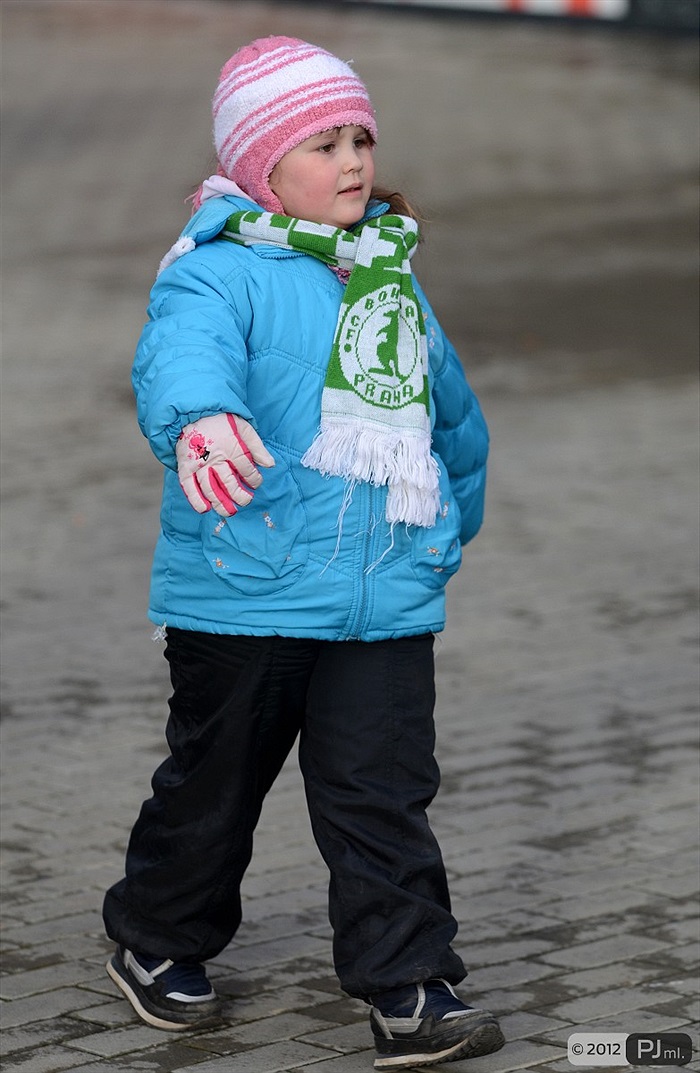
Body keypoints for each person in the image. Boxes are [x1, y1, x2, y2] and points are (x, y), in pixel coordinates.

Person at [102, 35, 504, 1070]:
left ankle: (409, 984)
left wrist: (447, 529)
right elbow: (179, 361)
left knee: (383, 793)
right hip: (249, 585)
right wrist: (201, 419)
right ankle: (158, 933)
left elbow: (451, 419)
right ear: (261, 168)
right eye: (323, 145)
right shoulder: (217, 273)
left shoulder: (392, 278)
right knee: (217, 783)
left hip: (383, 597)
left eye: (360, 138)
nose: (353, 161)